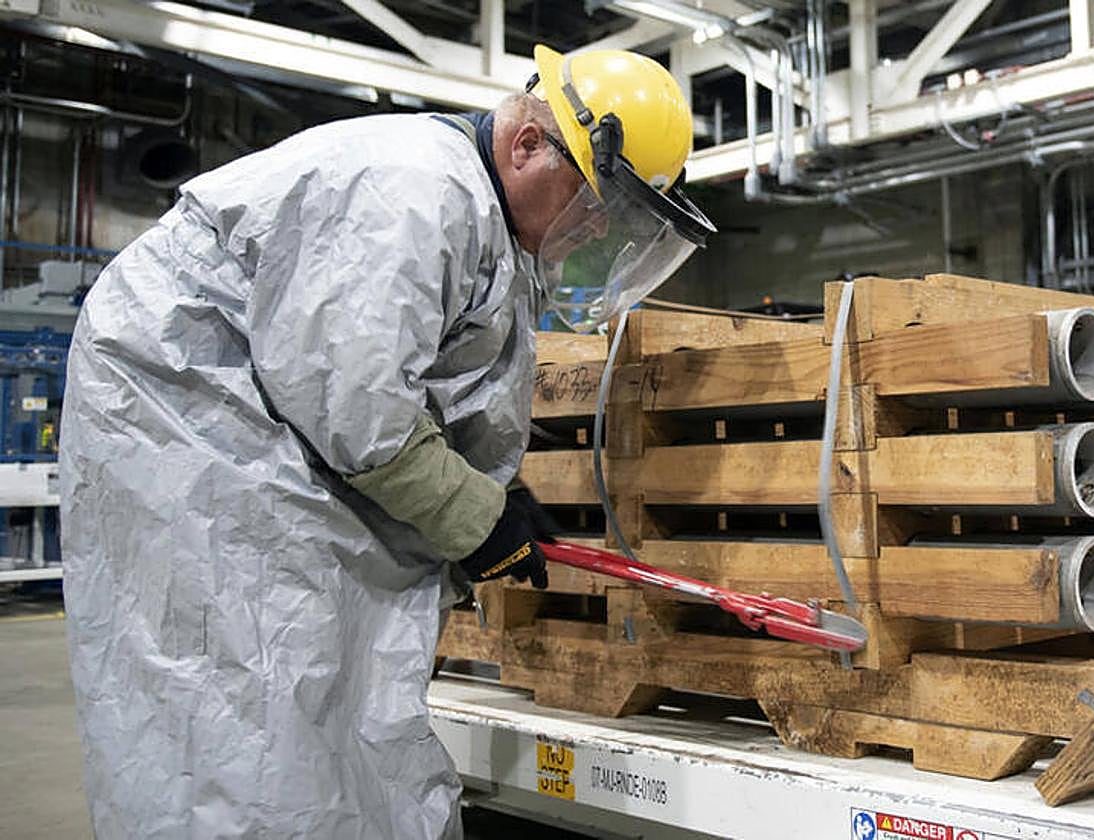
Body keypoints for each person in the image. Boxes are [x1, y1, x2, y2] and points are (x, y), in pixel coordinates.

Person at [60, 44, 713, 839]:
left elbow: (419, 382)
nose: (599, 227)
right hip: (195, 409)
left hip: (263, 412)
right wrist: (475, 516)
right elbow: (359, 411)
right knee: (254, 678)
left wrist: (495, 495)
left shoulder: (484, 217)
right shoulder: (411, 194)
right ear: (527, 146)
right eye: (596, 199)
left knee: (327, 676)